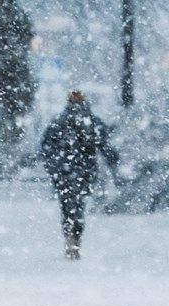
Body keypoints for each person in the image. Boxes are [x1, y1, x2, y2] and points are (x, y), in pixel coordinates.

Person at [38, 92, 121, 260]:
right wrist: (114, 162)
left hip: (63, 173)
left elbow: (45, 148)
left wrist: (54, 166)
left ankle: (69, 239)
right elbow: (105, 147)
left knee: (66, 206)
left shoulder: (58, 122)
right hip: (85, 172)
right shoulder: (92, 122)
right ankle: (76, 239)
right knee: (79, 206)